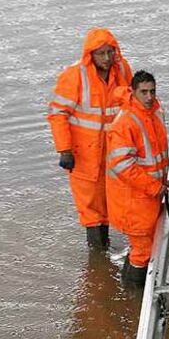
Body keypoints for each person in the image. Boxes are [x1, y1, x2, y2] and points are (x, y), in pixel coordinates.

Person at [48, 28, 133, 248]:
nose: (107, 58)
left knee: (116, 201)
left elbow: (132, 107)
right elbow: (58, 114)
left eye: (110, 52)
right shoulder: (74, 75)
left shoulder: (122, 69)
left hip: (116, 152)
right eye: (101, 54)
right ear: (91, 55)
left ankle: (100, 269)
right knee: (91, 209)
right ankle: (98, 250)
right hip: (84, 155)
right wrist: (64, 150)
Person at [106, 70, 169, 285]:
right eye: (144, 92)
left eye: (152, 91)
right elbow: (123, 165)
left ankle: (129, 297)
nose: (150, 96)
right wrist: (154, 186)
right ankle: (135, 295)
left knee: (142, 248)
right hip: (134, 200)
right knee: (143, 250)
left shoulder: (151, 114)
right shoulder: (126, 122)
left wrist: (160, 182)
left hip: (146, 195)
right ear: (133, 92)